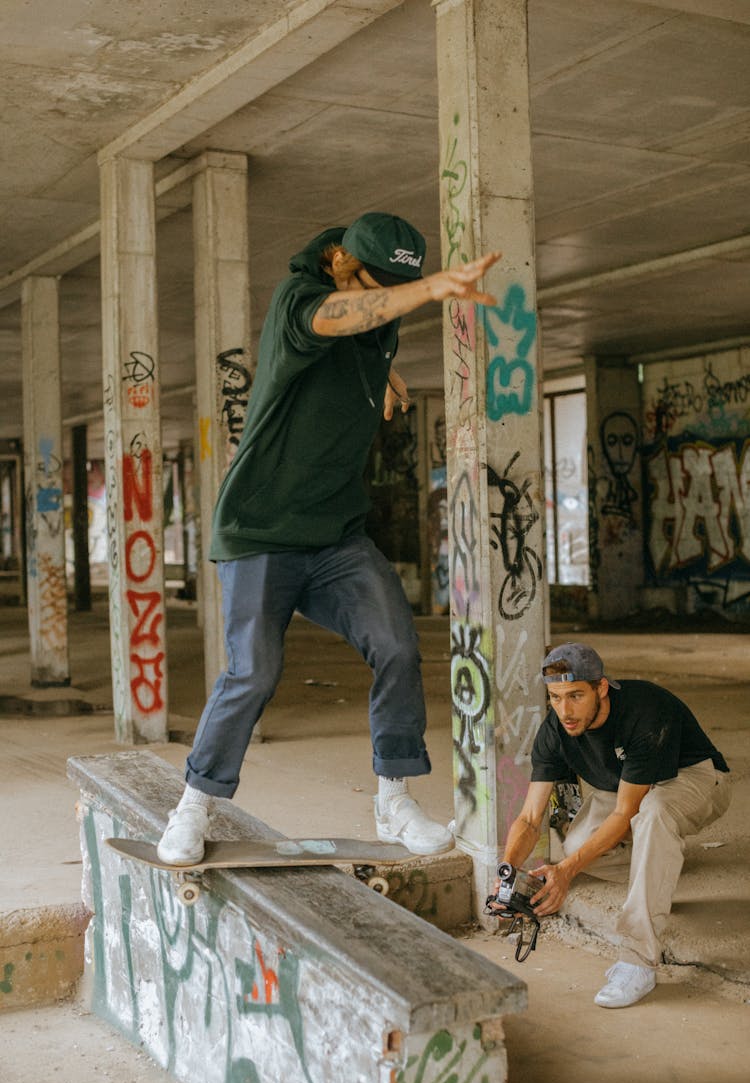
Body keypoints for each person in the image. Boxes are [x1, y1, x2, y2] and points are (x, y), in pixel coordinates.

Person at [158, 211, 501, 866]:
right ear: (344, 263)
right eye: (380, 288)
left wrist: (388, 380)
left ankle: (393, 798)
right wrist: (430, 291)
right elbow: (341, 321)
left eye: (402, 288)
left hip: (336, 532)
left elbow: (366, 340)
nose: (386, 304)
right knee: (253, 670)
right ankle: (194, 804)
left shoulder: (379, 324)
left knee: (398, 643)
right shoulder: (300, 300)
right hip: (260, 528)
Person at [492, 642, 731, 1008]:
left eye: (575, 695)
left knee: (653, 813)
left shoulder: (645, 711)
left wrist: (566, 873)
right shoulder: (555, 730)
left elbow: (626, 813)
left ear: (601, 688)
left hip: (694, 778)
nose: (565, 710)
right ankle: (660, 862)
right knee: (576, 845)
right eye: (555, 697)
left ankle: (639, 961)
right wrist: (507, 869)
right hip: (627, 787)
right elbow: (529, 818)